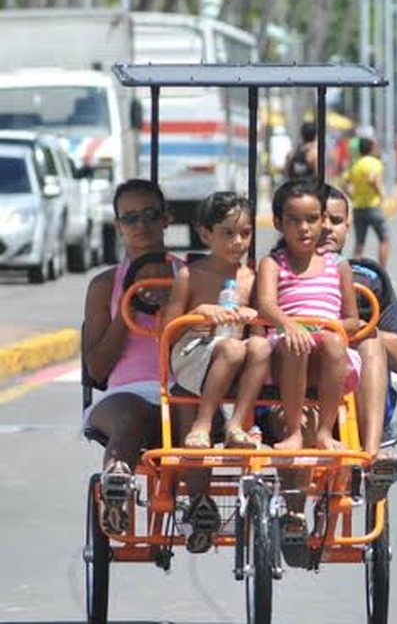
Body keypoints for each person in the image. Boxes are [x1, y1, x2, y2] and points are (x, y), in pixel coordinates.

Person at [83, 179, 204, 538]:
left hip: (181, 387)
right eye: (130, 218)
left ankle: (199, 508)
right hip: (125, 394)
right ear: (119, 226)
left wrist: (174, 310)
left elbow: (204, 351)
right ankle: (117, 484)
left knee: (189, 406)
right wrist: (128, 312)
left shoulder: (192, 276)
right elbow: (97, 369)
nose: (141, 226)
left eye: (150, 215)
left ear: (166, 219)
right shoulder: (105, 284)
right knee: (131, 414)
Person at [161, 192, 271, 451]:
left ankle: (236, 424)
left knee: (260, 346)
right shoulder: (190, 275)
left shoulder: (252, 278)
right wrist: (199, 312)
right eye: (228, 233)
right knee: (232, 348)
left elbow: (258, 335)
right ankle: (203, 424)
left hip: (235, 353)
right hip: (193, 351)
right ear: (205, 234)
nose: (238, 242)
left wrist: (253, 318)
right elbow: (168, 332)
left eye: (245, 233)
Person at [258, 179, 363, 452]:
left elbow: (352, 319)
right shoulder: (273, 263)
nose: (304, 228)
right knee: (297, 343)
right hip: (286, 348)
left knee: (333, 342)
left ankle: (325, 432)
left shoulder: (338, 266)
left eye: (312, 219)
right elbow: (266, 305)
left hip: (329, 353)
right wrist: (289, 325)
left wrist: (331, 328)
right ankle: (294, 431)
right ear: (279, 224)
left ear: (323, 221)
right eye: (294, 220)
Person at [318, 185, 397, 495]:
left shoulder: (369, 277)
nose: (327, 227)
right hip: (299, 380)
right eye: (319, 219)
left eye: (336, 220)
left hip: (355, 385)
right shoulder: (276, 270)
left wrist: (362, 330)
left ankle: (371, 454)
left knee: (370, 342)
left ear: (348, 225)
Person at [347, 137, 390, 267]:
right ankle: (382, 273)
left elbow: (345, 183)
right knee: (384, 239)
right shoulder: (375, 162)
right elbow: (372, 179)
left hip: (358, 206)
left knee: (359, 243)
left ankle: (352, 272)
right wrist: (381, 194)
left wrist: (353, 195)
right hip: (373, 206)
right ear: (372, 148)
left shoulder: (355, 165)